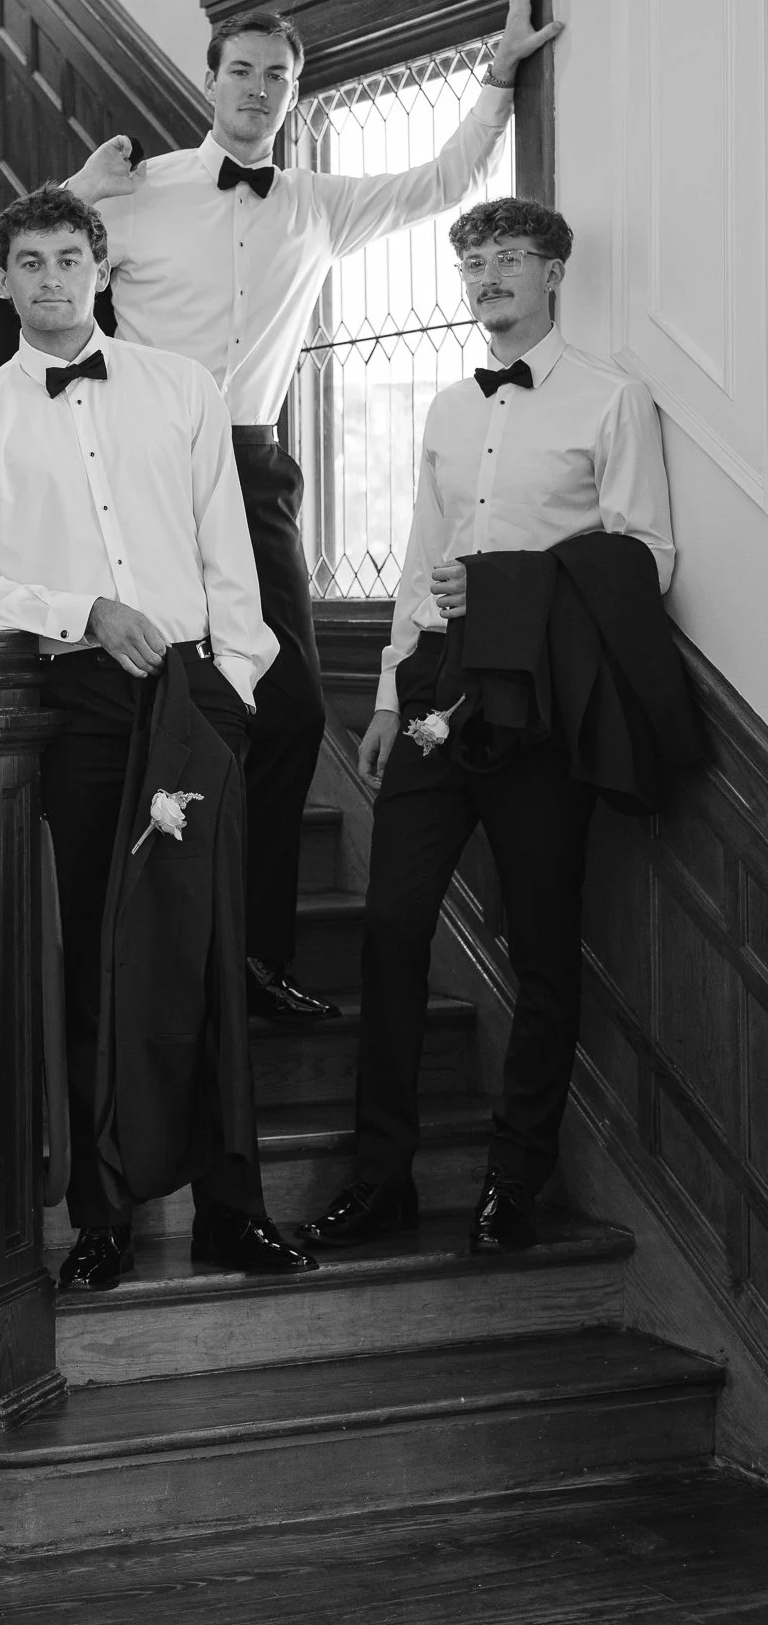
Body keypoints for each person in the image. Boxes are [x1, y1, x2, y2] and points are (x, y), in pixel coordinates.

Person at [0, 0, 563, 1023]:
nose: (257, 87)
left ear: (293, 92)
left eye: (277, 75)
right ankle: (149, 946)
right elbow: (4, 271)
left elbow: (438, 182)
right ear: (210, 81)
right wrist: (87, 183)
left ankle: (252, 953)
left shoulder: (317, 207)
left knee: (285, 709)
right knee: (155, 693)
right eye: (241, 69)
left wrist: (501, 72)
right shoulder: (138, 187)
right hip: (140, 456)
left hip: (251, 465)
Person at [0, 184, 309, 1289]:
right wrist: (81, 609)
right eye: (29, 263)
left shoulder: (185, 388)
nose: (51, 280)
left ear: (101, 268)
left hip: (194, 698)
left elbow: (227, 551)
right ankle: (105, 1213)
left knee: (208, 954)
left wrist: (233, 685)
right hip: (78, 705)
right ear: (4, 277)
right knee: (95, 957)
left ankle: (234, 1208)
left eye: (68, 259)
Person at [301, 200, 679, 1256]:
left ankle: (518, 1177)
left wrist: (513, 592)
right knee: (389, 927)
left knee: (546, 946)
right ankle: (382, 1177)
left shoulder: (613, 399)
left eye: (509, 258)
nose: (486, 277)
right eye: (472, 261)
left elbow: (647, 559)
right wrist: (384, 694)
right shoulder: (445, 411)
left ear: (553, 271)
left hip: (542, 702)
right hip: (433, 691)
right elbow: (424, 556)